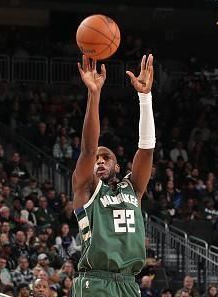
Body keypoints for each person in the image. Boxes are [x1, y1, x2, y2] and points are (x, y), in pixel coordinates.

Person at [71, 53, 155, 297]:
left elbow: (147, 149)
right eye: (97, 159)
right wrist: (94, 94)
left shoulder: (134, 189)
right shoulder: (86, 188)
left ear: (118, 167)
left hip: (129, 284)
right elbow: (88, 147)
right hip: (96, 282)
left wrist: (145, 97)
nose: (99, 160)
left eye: (105, 157)